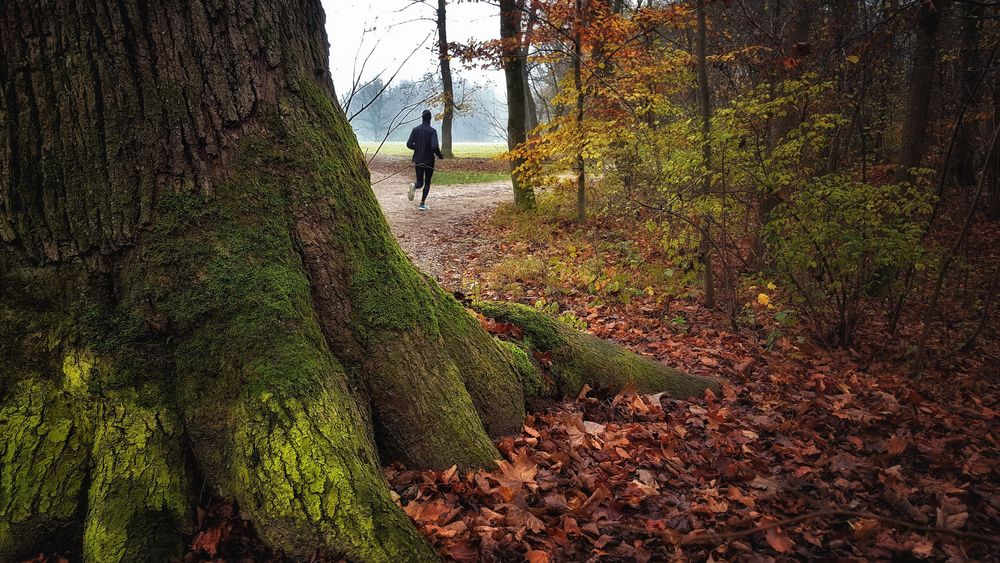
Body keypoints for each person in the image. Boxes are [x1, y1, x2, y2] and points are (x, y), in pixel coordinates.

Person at [405, 109, 445, 210]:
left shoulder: (415, 130)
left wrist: (417, 148)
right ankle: (422, 204)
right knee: (427, 182)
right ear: (430, 119)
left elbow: (409, 144)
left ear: (422, 118)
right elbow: (434, 146)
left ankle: (414, 185)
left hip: (418, 159)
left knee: (419, 182)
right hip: (429, 160)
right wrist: (440, 156)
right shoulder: (432, 131)